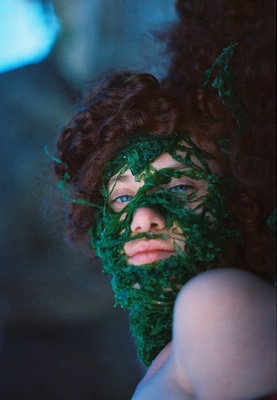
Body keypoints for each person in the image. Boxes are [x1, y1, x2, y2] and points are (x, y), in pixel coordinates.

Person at [50, 2, 276, 399]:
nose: (143, 218)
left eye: (180, 189)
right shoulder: (178, 347)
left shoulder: (214, 304)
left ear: (239, 200)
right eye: (121, 198)